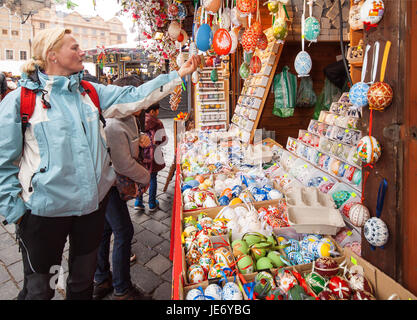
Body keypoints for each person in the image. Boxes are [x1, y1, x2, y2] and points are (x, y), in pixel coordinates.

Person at [0, 27, 199, 300]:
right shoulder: (20, 101)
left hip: (91, 211)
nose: (81, 51)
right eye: (74, 47)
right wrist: (17, 213)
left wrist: (178, 75)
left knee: (82, 284)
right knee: (40, 290)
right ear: (52, 55)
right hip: (44, 216)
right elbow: (4, 163)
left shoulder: (90, 93)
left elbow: (133, 96)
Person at [93, 75, 151, 300]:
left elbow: (131, 141)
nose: (143, 103)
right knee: (124, 231)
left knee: (106, 230)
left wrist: (141, 138)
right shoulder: (115, 124)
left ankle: (101, 277)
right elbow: (123, 163)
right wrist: (145, 177)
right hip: (108, 185)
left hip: (109, 185)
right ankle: (122, 287)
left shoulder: (128, 118)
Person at [134, 103, 166, 213]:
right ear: (152, 111)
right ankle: (152, 203)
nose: (158, 113)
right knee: (152, 178)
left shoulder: (138, 121)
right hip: (154, 155)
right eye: (157, 110)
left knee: (140, 177)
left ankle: (138, 202)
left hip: (141, 154)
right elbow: (163, 139)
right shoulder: (158, 123)